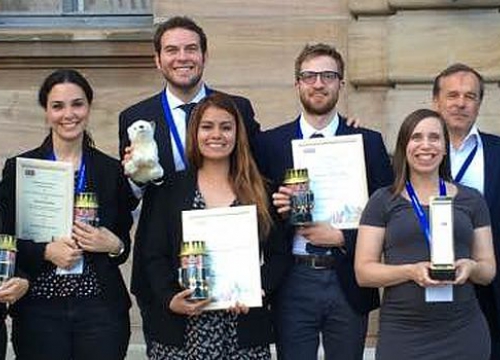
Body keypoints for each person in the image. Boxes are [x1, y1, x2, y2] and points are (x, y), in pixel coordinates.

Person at [118, 16, 261, 353]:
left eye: (190, 49)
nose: (182, 57)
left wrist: (341, 129)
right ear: (158, 59)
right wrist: (136, 181)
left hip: (231, 276)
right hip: (165, 273)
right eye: (172, 50)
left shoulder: (237, 108)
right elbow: (128, 195)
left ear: (204, 56)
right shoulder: (135, 116)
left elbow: (263, 169)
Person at [255, 43, 393, 360]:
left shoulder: (367, 142)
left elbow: (387, 215)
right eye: (310, 76)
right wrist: (276, 207)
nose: (319, 83)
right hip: (292, 279)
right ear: (298, 83)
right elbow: (252, 211)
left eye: (328, 76)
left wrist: (343, 237)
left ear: (341, 84)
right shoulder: (270, 144)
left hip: (347, 276)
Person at [138, 92, 291, 359]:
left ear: (238, 134)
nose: (216, 135)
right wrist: (170, 298)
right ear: (195, 133)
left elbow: (279, 254)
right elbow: (153, 255)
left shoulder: (260, 190)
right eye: (207, 127)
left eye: (226, 127)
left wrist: (258, 289)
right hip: (181, 332)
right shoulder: (169, 190)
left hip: (242, 330)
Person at [0, 68, 136, 360]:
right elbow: (6, 236)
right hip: (39, 309)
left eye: (77, 104)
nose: (68, 114)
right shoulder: (20, 167)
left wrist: (114, 245)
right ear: (46, 112)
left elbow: (122, 239)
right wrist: (45, 251)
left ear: (88, 107)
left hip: (100, 311)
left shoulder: (110, 170)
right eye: (57, 106)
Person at [355, 108, 496, 359]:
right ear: (404, 146)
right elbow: (364, 272)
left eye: (434, 137)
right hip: (403, 335)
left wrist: (471, 268)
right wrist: (410, 271)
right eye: (416, 137)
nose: (426, 145)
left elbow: (488, 271)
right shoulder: (382, 200)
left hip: (464, 334)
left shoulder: (471, 199)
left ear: (445, 147)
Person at [432, 63, 500, 359]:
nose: (461, 103)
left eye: (470, 96)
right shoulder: (413, 151)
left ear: (479, 103)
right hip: (428, 279)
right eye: (453, 95)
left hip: (489, 282)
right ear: (436, 101)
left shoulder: (497, 150)